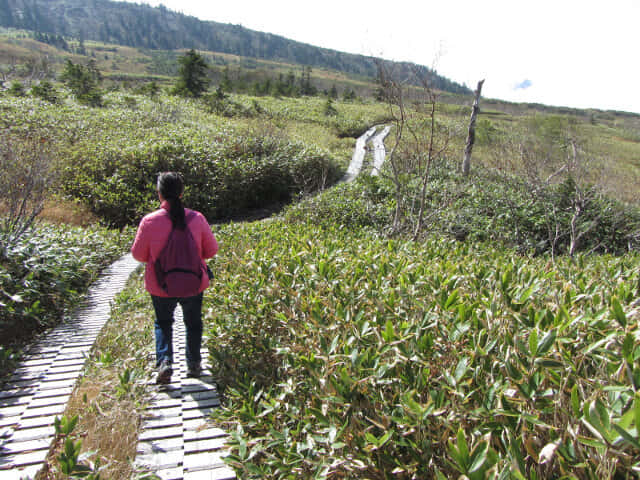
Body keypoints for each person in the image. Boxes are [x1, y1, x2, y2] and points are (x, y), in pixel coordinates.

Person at [131, 172, 218, 384]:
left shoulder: (149, 221)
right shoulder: (197, 218)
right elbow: (211, 250)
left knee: (163, 323)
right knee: (193, 323)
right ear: (181, 192)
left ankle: (165, 363)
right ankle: (194, 364)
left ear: (159, 193)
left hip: (161, 285)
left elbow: (138, 255)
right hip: (194, 283)